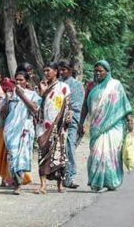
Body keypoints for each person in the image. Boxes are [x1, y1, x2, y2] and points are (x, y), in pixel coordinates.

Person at [81, 60, 133, 192]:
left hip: (114, 126)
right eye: (96, 71)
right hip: (96, 127)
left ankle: (111, 182)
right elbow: (85, 107)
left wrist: (129, 119)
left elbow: (124, 104)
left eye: (100, 71)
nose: (98, 73)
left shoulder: (116, 85)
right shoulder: (91, 86)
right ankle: (96, 182)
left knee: (109, 154)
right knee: (97, 154)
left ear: (107, 72)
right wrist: (82, 123)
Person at [35, 62, 72, 194]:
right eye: (44, 71)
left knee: (59, 154)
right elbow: (36, 106)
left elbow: (68, 105)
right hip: (43, 126)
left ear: (56, 71)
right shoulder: (40, 86)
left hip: (59, 126)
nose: (45, 73)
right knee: (43, 153)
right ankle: (43, 185)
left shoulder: (64, 87)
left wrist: (66, 120)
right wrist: (42, 92)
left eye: (48, 70)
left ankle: (60, 185)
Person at [0, 72, 39, 194]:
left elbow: (34, 109)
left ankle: (18, 184)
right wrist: (7, 100)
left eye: (21, 80)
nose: (18, 83)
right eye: (16, 80)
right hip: (10, 130)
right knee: (12, 154)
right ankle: (15, 181)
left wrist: (22, 95)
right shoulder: (10, 94)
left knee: (21, 156)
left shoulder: (32, 94)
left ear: (26, 82)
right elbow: (4, 114)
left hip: (24, 130)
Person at [58, 60, 84, 189]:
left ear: (70, 70)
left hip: (71, 120)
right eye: (60, 70)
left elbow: (77, 105)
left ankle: (70, 176)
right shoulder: (58, 84)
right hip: (57, 120)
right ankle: (60, 175)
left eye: (64, 69)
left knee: (69, 146)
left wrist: (66, 112)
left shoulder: (77, 85)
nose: (62, 72)